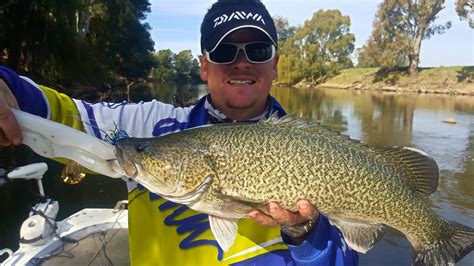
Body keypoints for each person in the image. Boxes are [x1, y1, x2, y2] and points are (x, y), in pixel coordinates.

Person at [0, 0, 358, 264]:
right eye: (224, 51)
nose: (242, 61)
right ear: (204, 66)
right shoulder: (145, 127)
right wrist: (6, 86)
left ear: (275, 64)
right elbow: (59, 114)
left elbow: (346, 258)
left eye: (258, 49)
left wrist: (304, 233)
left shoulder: (315, 154)